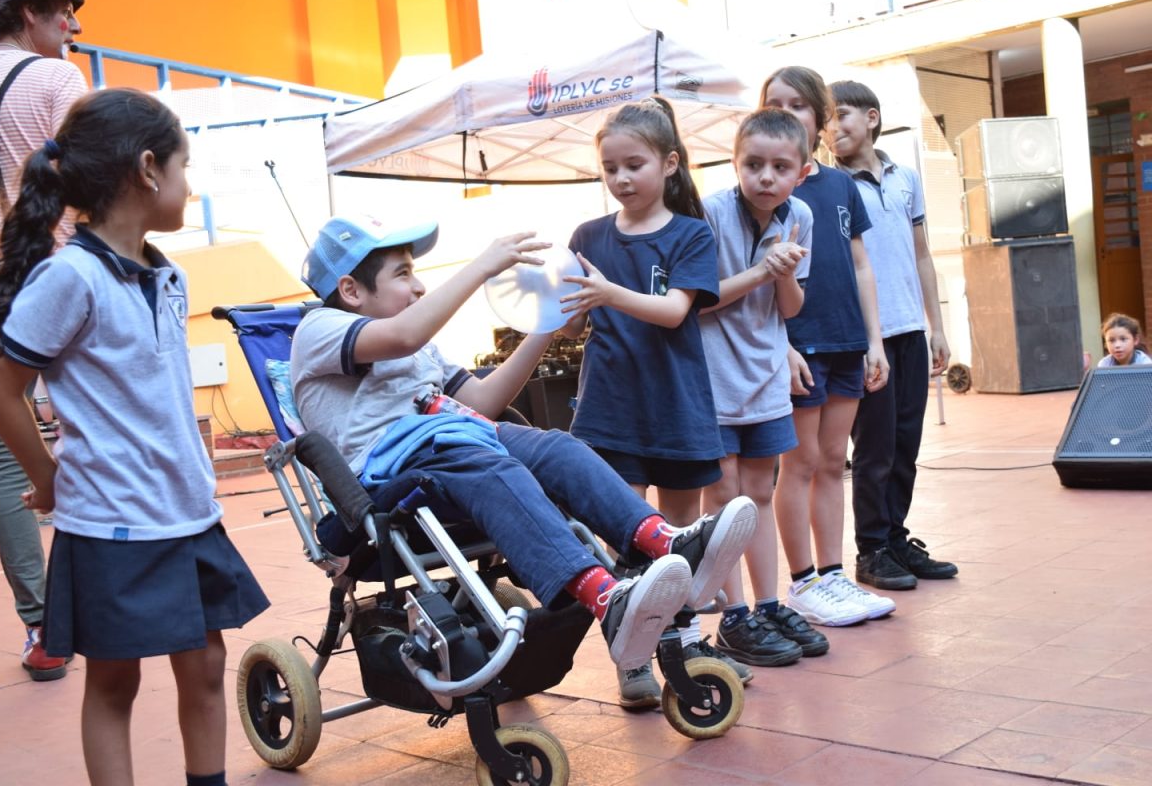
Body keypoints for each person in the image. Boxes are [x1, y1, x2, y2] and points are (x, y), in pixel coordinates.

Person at [290, 214, 757, 682]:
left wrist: (548, 322)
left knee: (556, 447)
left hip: (460, 442)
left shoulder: (420, 349)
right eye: (403, 273)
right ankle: (606, 600)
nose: (418, 287)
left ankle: (667, 543)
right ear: (351, 290)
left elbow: (484, 402)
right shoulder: (321, 328)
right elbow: (403, 335)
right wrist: (481, 267)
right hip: (393, 476)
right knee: (494, 469)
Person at [0, 88, 270, 786]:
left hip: (187, 513)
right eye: (183, 168)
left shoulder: (169, 275)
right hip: (111, 526)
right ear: (147, 169)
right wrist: (47, 478)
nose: (189, 187)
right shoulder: (68, 277)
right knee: (114, 685)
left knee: (204, 666)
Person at [558, 97, 752, 705]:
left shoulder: (692, 234)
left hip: (676, 411)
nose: (620, 178)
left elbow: (674, 312)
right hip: (609, 415)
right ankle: (632, 662)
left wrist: (608, 292)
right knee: (624, 541)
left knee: (682, 538)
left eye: (633, 164)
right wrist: (559, 308)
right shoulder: (586, 236)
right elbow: (568, 326)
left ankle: (687, 644)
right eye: (610, 167)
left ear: (669, 164)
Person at [0, 0, 88, 681]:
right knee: (97, 426)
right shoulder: (60, 78)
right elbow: (90, 173)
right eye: (65, 10)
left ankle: (41, 629)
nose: (73, 24)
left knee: (6, 457)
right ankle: (110, 599)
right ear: (29, 12)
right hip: (61, 274)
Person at [761, 66, 896, 627]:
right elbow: (759, 281)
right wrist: (781, 347)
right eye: (775, 103)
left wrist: (874, 342)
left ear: (818, 116)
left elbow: (861, 265)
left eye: (797, 104)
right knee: (800, 462)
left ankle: (835, 576)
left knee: (831, 462)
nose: (787, 112)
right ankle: (802, 582)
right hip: (800, 344)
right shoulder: (766, 187)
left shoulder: (841, 186)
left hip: (847, 341)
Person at [697, 108, 831, 668]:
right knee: (723, 494)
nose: (766, 177)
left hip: (766, 372)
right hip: (715, 374)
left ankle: (769, 605)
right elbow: (700, 299)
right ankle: (731, 614)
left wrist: (781, 275)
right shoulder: (709, 212)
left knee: (759, 492)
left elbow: (792, 306)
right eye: (754, 165)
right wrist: (760, 270)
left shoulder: (800, 215)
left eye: (780, 167)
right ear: (736, 163)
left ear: (802, 172)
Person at [827, 79, 958, 590]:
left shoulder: (905, 179)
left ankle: (897, 539)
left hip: (909, 331)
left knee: (906, 445)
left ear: (872, 118)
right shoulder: (830, 187)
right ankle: (872, 549)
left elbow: (922, 255)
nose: (833, 127)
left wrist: (937, 326)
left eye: (842, 115)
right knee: (874, 450)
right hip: (867, 340)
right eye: (828, 120)